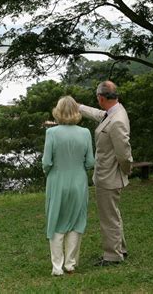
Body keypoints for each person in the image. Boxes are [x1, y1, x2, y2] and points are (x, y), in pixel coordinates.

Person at [78, 80, 133, 266]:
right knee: (113, 215)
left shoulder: (117, 120)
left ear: (101, 98)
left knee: (108, 218)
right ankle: (120, 249)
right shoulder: (114, 112)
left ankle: (112, 256)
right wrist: (78, 107)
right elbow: (98, 114)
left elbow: (124, 154)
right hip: (108, 175)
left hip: (109, 177)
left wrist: (126, 171)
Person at [42, 96, 95, 276]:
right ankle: (70, 264)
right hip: (79, 182)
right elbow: (90, 162)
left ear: (58, 112)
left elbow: (46, 162)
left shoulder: (51, 133)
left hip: (57, 181)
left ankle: (57, 267)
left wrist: (50, 172)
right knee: (76, 221)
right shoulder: (85, 133)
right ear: (76, 112)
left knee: (56, 221)